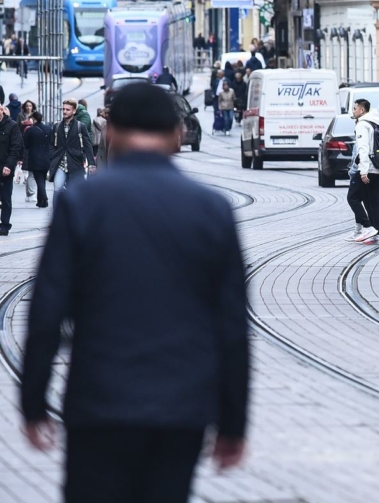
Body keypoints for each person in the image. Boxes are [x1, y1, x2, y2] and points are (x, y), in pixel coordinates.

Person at [21, 83, 250, 503]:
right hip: (182, 408)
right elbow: (233, 326)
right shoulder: (211, 209)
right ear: (177, 135)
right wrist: (233, 424)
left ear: (111, 132)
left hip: (99, 403)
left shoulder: (83, 203)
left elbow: (47, 308)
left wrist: (33, 402)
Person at [346, 99, 379, 244]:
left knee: (352, 198)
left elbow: (363, 149)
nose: (353, 111)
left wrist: (363, 172)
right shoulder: (375, 122)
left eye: (355, 108)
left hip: (367, 168)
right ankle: (378, 234)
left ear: (362, 110)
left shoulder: (363, 124)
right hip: (378, 168)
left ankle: (367, 227)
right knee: (374, 202)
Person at [51, 99, 96, 208]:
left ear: (74, 111)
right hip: (60, 163)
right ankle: (57, 216)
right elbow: (52, 145)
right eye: (64, 109)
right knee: (57, 189)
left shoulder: (80, 126)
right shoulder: (57, 126)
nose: (65, 111)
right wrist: (51, 159)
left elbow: (87, 145)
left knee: (75, 191)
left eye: (68, 109)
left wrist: (91, 163)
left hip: (75, 162)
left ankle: (75, 214)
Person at [0, 104, 23, 235]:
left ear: (1, 110)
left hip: (5, 167)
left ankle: (4, 225)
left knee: (5, 198)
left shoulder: (12, 125)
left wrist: (9, 165)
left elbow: (16, 147)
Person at [22, 111, 49, 208]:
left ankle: (44, 198)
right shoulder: (48, 128)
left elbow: (25, 144)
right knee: (43, 178)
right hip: (47, 157)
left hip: (35, 157)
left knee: (39, 180)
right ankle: (40, 200)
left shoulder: (30, 130)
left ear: (34, 119)